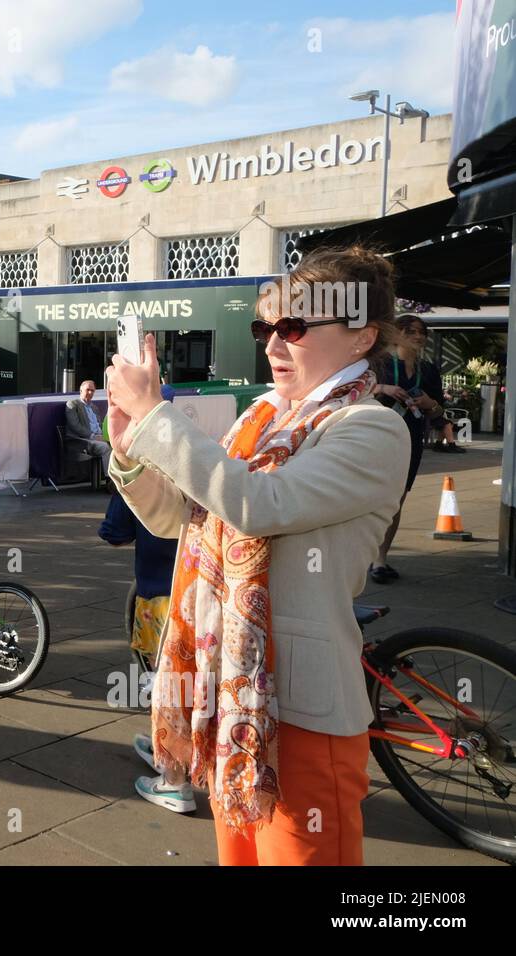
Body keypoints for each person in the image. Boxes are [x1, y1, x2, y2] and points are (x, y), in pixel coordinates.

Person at [104, 245, 407, 866]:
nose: (273, 344)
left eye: (294, 327)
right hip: (232, 695)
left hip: (299, 708)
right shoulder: (261, 418)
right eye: (264, 327)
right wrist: (132, 450)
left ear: (360, 338)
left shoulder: (370, 427)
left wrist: (157, 414)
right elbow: (179, 520)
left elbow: (257, 504)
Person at [98, 491, 187, 812]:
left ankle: (175, 782)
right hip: (207, 590)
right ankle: (167, 747)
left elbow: (115, 533)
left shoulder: (141, 470)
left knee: (169, 685)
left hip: (160, 594)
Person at [369, 315, 448, 584]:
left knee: (396, 500)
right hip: (376, 436)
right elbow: (355, 391)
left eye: (422, 332)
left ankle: (380, 561)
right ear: (397, 334)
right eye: (411, 331)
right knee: (370, 497)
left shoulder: (428, 370)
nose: (418, 336)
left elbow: (439, 410)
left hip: (411, 438)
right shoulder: (379, 363)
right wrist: (383, 387)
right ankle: (358, 555)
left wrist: (429, 403)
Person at [64, 379, 111, 474]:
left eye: (92, 390)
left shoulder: (94, 407)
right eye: (88, 389)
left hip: (98, 437)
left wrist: (104, 435)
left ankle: (119, 478)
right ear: (81, 390)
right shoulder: (72, 404)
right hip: (81, 440)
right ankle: (109, 479)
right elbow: (75, 426)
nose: (90, 392)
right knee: (105, 447)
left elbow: (100, 425)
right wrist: (93, 436)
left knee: (118, 446)